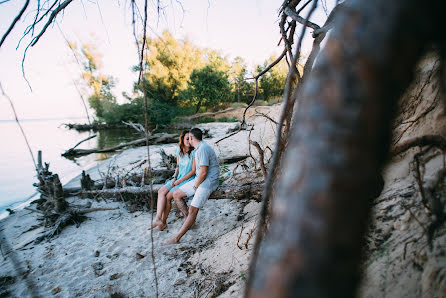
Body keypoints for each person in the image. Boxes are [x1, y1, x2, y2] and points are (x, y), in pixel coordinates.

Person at [163, 127, 219, 245]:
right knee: (176, 194)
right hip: (200, 179)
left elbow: (204, 172)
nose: (188, 141)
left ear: (192, 138)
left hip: (208, 182)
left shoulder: (202, 149)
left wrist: (195, 187)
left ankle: (176, 238)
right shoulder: (198, 148)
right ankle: (188, 220)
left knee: (193, 209)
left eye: (189, 138)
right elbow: (199, 173)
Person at [149, 130, 196, 231]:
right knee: (161, 191)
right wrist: (174, 178)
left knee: (168, 196)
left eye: (191, 138)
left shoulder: (194, 153)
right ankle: (158, 219)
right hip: (178, 178)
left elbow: (193, 171)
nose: (189, 141)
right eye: (187, 139)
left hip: (187, 180)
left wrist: (179, 181)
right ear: (182, 139)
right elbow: (178, 167)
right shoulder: (179, 151)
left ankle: (163, 222)